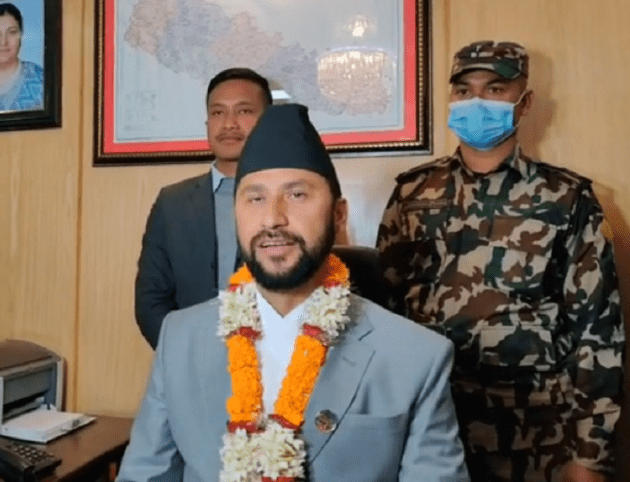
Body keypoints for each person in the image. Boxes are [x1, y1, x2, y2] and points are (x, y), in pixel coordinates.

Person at [117, 104, 469, 481]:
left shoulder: (415, 356)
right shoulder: (180, 338)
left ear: (338, 215)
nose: (272, 218)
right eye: (255, 198)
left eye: (297, 195)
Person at [376, 40, 624, 482]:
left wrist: (590, 455)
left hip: (537, 436)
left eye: (494, 89)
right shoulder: (413, 194)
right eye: (464, 90)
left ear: (523, 102)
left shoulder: (567, 198)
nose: (477, 101)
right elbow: (384, 316)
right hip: (431, 428)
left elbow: (598, 332)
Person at [134, 68, 272, 349]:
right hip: (190, 359)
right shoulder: (173, 203)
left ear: (268, 121)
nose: (229, 124)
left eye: (244, 111)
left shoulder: (292, 199)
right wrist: (185, 356)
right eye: (218, 113)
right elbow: (151, 301)